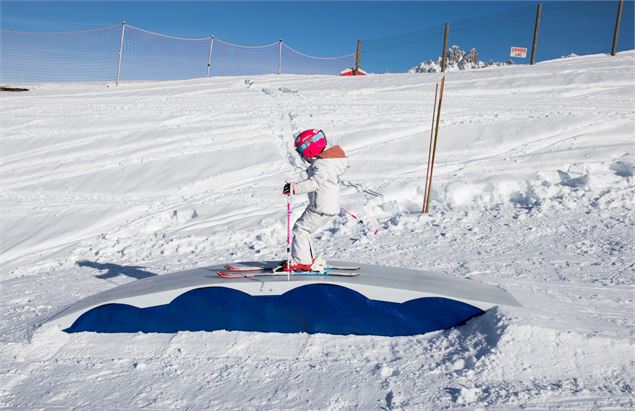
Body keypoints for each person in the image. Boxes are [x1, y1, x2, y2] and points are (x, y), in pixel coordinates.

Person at [281, 129, 348, 272]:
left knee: (301, 230)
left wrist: (294, 188)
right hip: (325, 206)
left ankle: (302, 261)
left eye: (301, 151)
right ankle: (306, 259)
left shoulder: (322, 165)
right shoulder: (328, 162)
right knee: (305, 230)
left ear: (309, 149)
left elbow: (314, 182)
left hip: (320, 207)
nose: (301, 155)